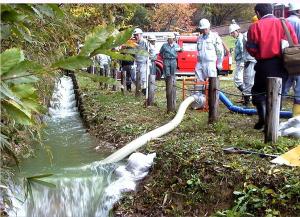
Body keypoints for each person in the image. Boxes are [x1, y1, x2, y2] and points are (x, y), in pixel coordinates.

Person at [246, 3, 298, 130]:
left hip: (264, 64)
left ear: (258, 13)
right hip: (283, 64)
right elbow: (294, 43)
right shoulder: (285, 23)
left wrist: (260, 53)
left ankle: (263, 116)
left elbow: (251, 48)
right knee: (278, 93)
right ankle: (272, 122)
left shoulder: (255, 26)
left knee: (258, 92)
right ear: (272, 11)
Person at [283, 2, 300, 116]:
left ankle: (274, 114)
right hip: (298, 58)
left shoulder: (283, 22)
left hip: (285, 58)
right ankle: (296, 118)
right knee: (299, 91)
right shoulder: (299, 22)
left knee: (282, 88)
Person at [195, 18, 224, 83]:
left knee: (212, 84)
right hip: (200, 63)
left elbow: (220, 51)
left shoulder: (215, 37)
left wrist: (219, 63)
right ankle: (199, 93)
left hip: (210, 64)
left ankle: (213, 93)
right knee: (198, 83)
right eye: (203, 29)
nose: (204, 31)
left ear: (209, 27)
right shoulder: (199, 38)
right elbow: (198, 51)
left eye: (206, 29)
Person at [241, 16, 258, 107]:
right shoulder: (246, 34)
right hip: (250, 60)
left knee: (256, 81)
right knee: (248, 81)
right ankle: (246, 100)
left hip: (258, 60)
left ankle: (255, 99)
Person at [229, 21, 245, 97]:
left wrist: (243, 61)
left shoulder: (240, 39)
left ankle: (247, 95)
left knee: (237, 80)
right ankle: (245, 96)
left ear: (237, 31)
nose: (231, 34)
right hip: (241, 61)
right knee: (242, 80)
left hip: (241, 62)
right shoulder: (239, 38)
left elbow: (243, 51)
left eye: (232, 33)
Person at [133, 28, 149, 95]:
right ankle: (139, 89)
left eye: (137, 35)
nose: (136, 36)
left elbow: (149, 51)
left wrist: (148, 60)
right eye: (135, 35)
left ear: (141, 34)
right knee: (135, 77)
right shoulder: (135, 43)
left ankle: (145, 90)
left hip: (144, 62)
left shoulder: (145, 42)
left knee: (143, 77)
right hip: (137, 62)